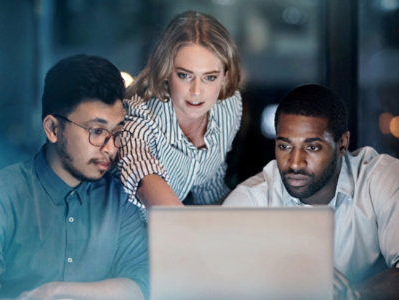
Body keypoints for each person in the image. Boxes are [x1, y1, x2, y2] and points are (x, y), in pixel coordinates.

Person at [223, 84, 399, 300]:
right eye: (285, 146)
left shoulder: (381, 179)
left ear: (342, 144)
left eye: (312, 147)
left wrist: (351, 295)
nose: (295, 163)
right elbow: (217, 282)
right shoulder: (251, 199)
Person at [0, 55, 148, 299]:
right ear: (53, 129)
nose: (110, 148)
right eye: (97, 131)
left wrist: (58, 291)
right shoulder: (5, 197)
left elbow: (143, 284)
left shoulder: (121, 198)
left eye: (117, 132)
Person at [117, 11, 243, 212]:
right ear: (166, 71)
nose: (196, 91)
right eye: (185, 75)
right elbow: (143, 179)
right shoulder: (140, 116)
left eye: (209, 77)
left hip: (180, 231)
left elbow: (209, 188)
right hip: (126, 235)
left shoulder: (228, 106)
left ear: (225, 77)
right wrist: (188, 233)